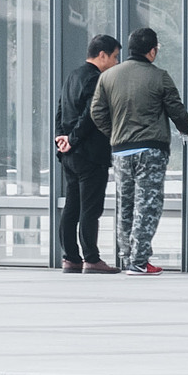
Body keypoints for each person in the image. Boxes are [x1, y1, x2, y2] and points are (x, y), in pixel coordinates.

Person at [90, 26, 188, 276]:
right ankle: (139, 260)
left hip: (121, 151)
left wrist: (115, 133)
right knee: (148, 205)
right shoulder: (159, 76)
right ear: (153, 51)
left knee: (124, 204)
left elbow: (97, 113)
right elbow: (175, 109)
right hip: (151, 150)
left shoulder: (108, 77)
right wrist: (186, 128)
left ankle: (127, 258)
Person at [54, 35, 121, 272]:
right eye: (114, 57)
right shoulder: (96, 79)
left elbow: (61, 109)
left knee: (72, 206)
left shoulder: (73, 76)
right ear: (101, 55)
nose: (115, 62)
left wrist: (61, 139)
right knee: (90, 209)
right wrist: (71, 140)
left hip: (70, 156)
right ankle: (92, 259)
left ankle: (70, 258)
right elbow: (92, 114)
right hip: (90, 154)